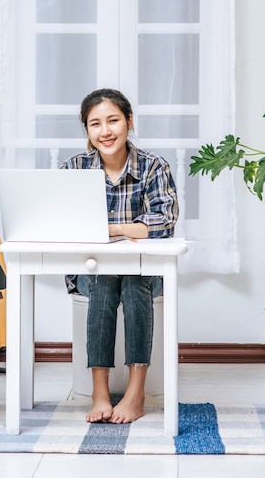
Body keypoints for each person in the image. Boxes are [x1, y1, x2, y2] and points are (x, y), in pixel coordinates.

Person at [62, 88, 178, 424]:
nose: (105, 131)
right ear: (87, 131)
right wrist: (131, 228)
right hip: (92, 272)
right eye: (95, 124)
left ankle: (135, 392)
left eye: (113, 120)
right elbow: (65, 221)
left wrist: (110, 229)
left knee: (133, 280)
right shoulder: (74, 168)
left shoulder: (154, 167)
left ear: (129, 122)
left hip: (144, 274)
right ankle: (100, 391)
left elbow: (164, 220)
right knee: (105, 278)